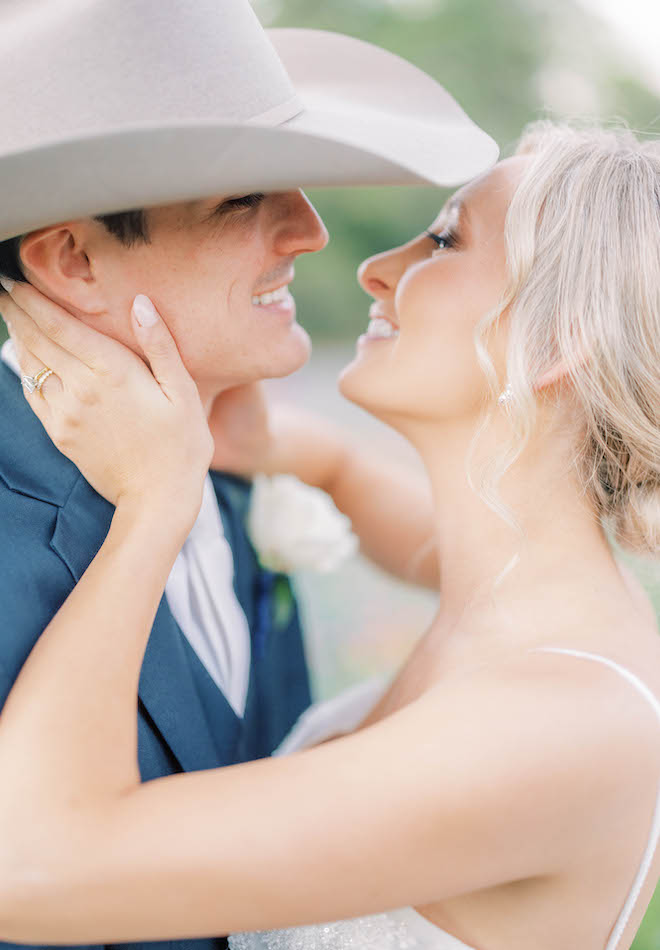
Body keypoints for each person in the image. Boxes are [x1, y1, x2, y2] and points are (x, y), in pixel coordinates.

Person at [2, 118, 660, 950]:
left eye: (445, 242)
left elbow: (28, 867)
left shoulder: (559, 726)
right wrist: (314, 460)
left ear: (560, 340)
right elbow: (417, 538)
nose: (376, 269)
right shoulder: (537, 595)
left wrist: (156, 501)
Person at [0, 4, 497, 950]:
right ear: (73, 259)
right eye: (242, 198)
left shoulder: (235, 459)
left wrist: (321, 460)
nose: (309, 232)